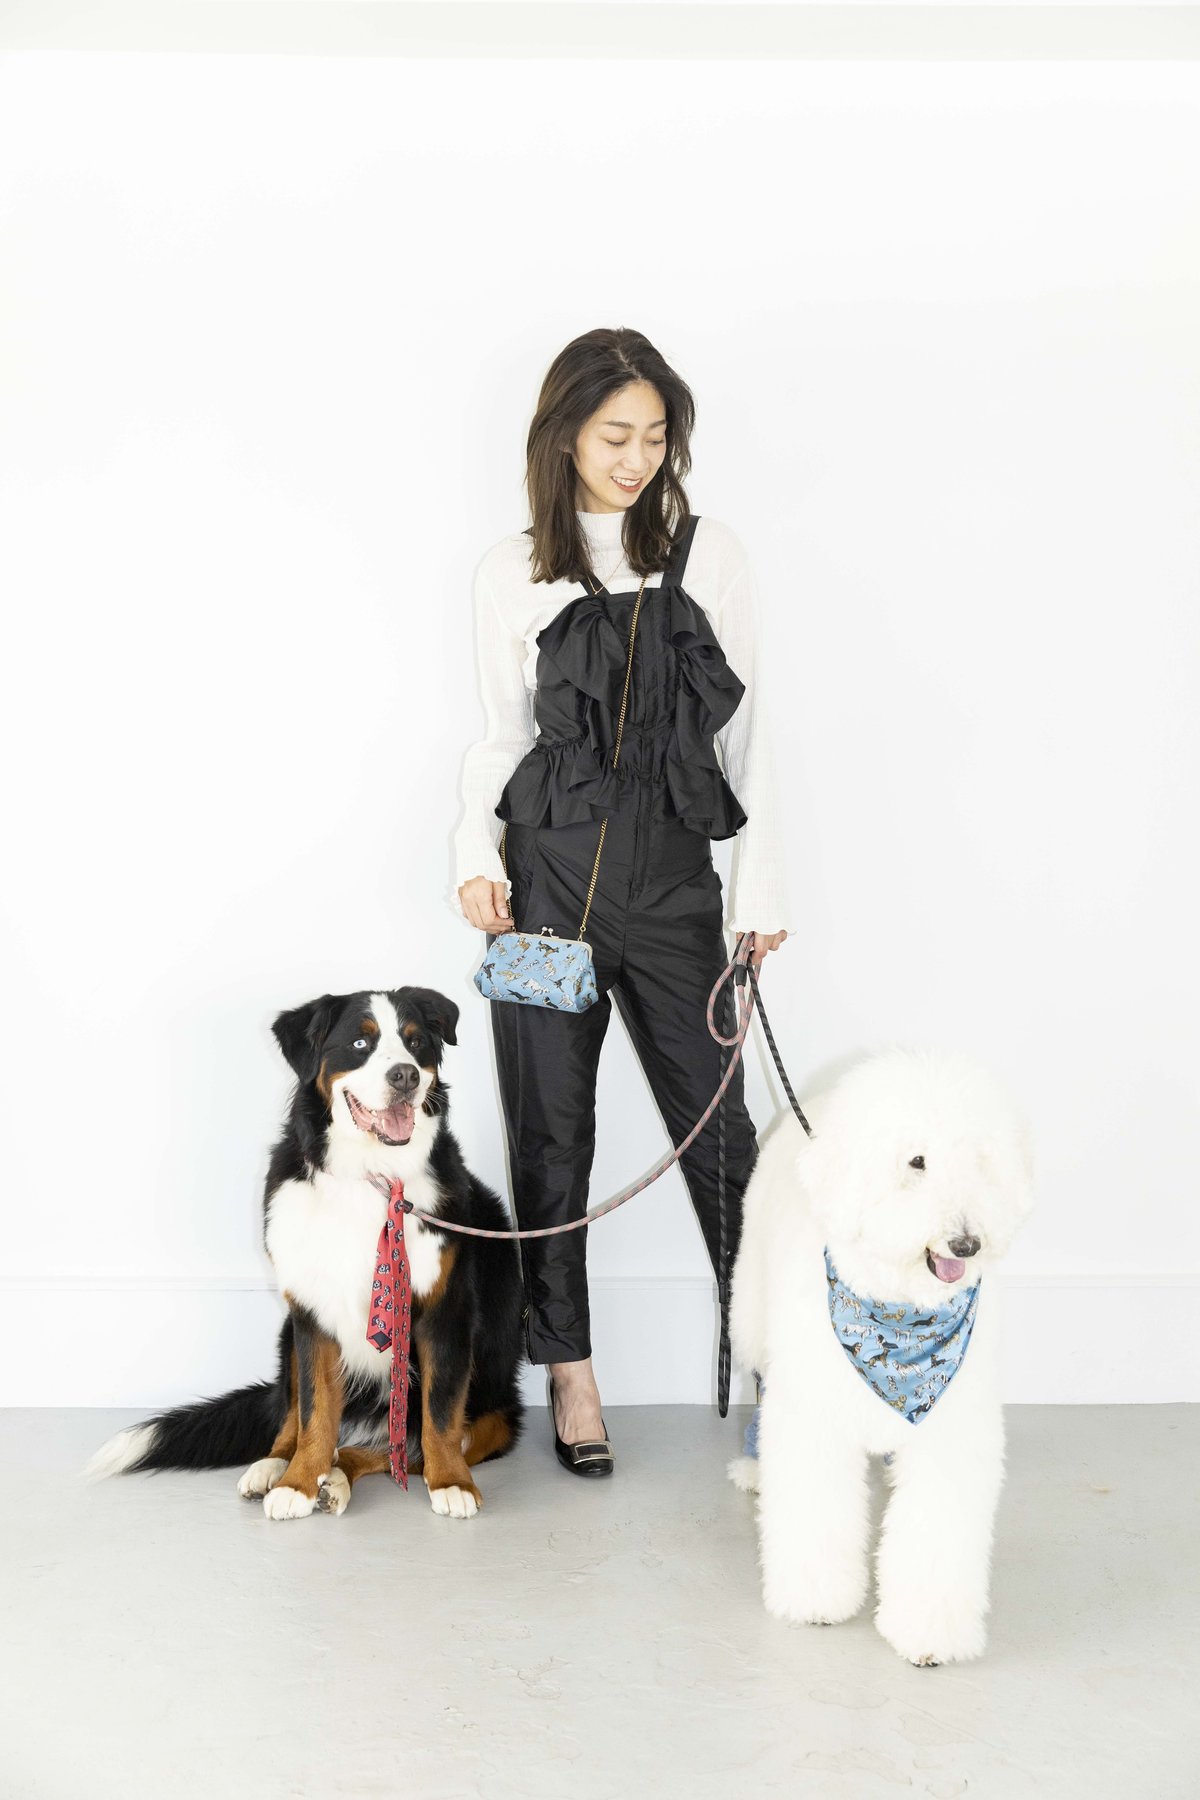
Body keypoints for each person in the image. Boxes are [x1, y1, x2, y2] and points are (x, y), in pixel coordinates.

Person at [450, 327, 792, 1474]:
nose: (638, 458)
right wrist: (475, 852)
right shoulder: (512, 571)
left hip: (674, 888)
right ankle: (571, 1372)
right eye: (615, 437)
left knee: (724, 1141)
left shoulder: (711, 554)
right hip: (544, 889)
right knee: (550, 1136)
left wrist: (760, 886)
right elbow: (500, 734)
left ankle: (783, 1365)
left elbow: (750, 734)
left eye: (655, 436)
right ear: (564, 437)